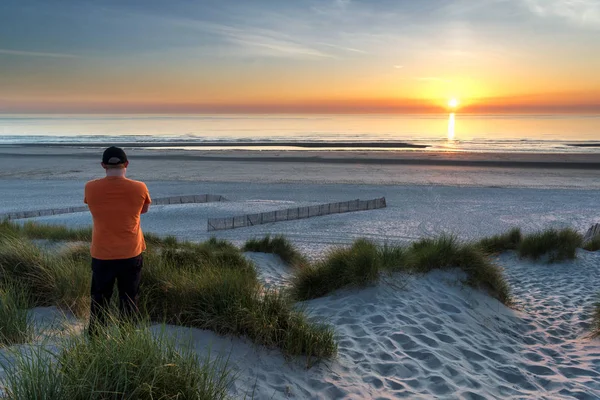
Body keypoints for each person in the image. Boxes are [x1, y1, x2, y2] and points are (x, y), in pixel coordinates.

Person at [84, 146, 151, 334]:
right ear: (127, 164)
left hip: (101, 254)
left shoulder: (90, 187)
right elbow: (143, 210)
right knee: (129, 299)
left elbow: (91, 205)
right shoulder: (140, 187)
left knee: (99, 299)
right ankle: (126, 338)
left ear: (103, 165)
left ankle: (96, 338)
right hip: (130, 253)